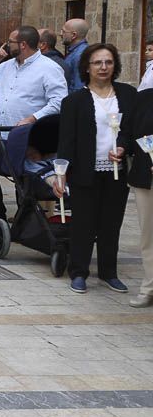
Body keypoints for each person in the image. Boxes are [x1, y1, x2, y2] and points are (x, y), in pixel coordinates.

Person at [52, 43, 134, 294]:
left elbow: (132, 131)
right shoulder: (74, 100)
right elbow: (66, 141)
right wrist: (61, 174)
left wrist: (123, 147)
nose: (103, 67)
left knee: (111, 223)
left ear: (115, 66)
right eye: (97, 62)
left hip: (116, 171)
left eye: (108, 62)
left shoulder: (128, 95)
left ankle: (109, 272)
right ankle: (79, 272)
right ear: (87, 67)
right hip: (85, 171)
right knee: (83, 225)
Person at [0, 26, 68, 220]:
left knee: (24, 176)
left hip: (26, 135)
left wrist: (33, 117)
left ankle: (25, 218)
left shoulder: (49, 68)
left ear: (23, 44)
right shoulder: (5, 66)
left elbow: (59, 101)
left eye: (10, 42)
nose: (6, 45)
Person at [123, 85, 153, 306]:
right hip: (146, 178)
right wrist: (121, 148)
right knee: (149, 237)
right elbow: (129, 133)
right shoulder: (143, 98)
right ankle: (149, 287)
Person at [61, 18, 90, 92]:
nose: (61, 34)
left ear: (73, 35)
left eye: (64, 31)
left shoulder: (80, 55)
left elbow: (79, 86)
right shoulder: (75, 52)